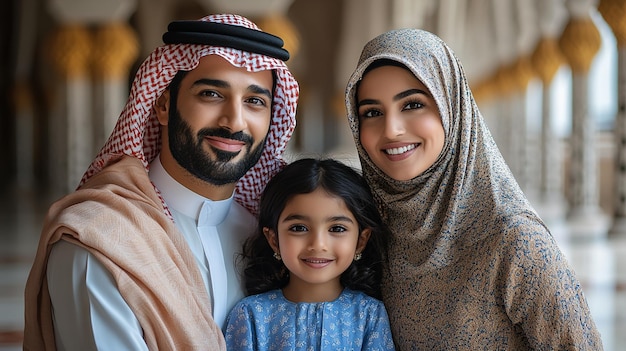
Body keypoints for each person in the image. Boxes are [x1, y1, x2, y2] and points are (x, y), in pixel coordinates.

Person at [23, 13, 299, 350]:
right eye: (211, 94)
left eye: (255, 101)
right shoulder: (100, 242)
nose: (234, 121)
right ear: (163, 105)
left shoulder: (276, 240)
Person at [344, 29, 603, 350]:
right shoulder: (369, 233)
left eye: (412, 105)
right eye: (372, 112)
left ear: (452, 107)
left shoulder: (515, 241)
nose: (392, 129)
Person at [223, 158, 395, 351]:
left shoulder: (369, 315)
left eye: (337, 228)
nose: (318, 244)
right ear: (273, 240)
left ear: (361, 241)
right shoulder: (251, 315)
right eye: (299, 228)